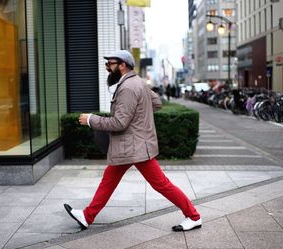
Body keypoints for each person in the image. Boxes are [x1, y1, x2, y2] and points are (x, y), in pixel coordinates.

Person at [64, 50, 202, 232]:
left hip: (135, 147)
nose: (107, 68)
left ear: (122, 65)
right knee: (109, 180)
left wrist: (91, 119)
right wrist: (140, 118)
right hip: (131, 146)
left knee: (161, 184)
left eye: (110, 64)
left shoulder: (127, 88)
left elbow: (119, 122)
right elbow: (157, 103)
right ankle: (87, 215)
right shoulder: (138, 83)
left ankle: (193, 216)